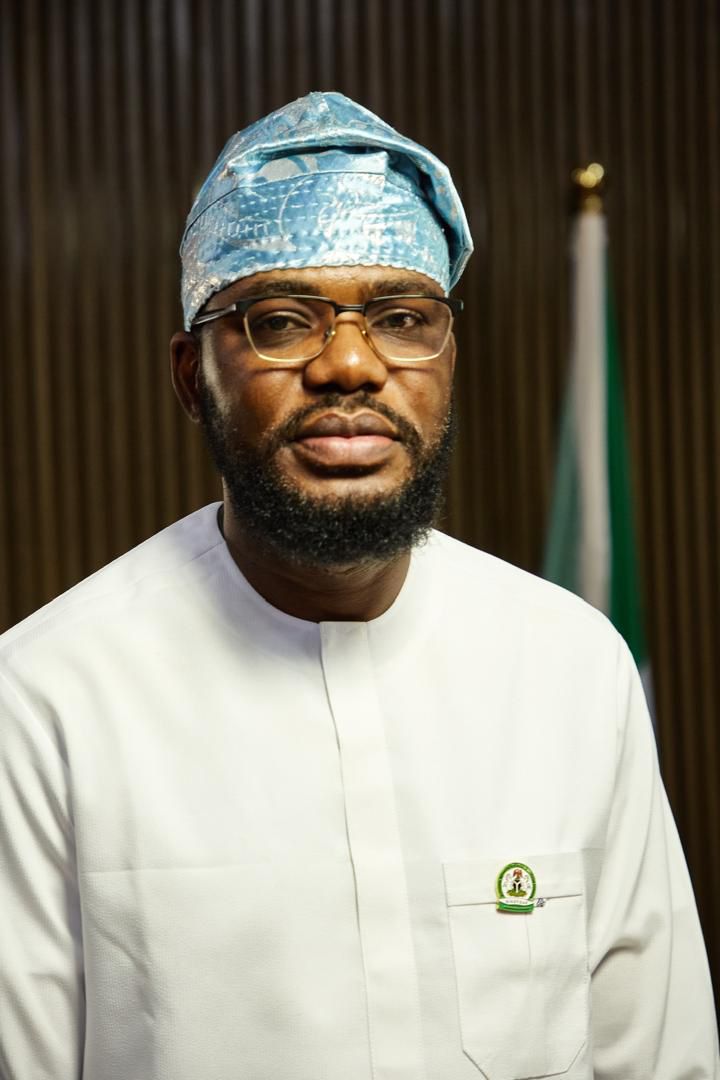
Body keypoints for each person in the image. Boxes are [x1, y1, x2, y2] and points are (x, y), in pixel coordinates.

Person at [0, 91, 717, 1080]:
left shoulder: (571, 668)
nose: (349, 364)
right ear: (191, 376)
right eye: (281, 320)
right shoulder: (43, 700)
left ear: (447, 360)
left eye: (401, 318)